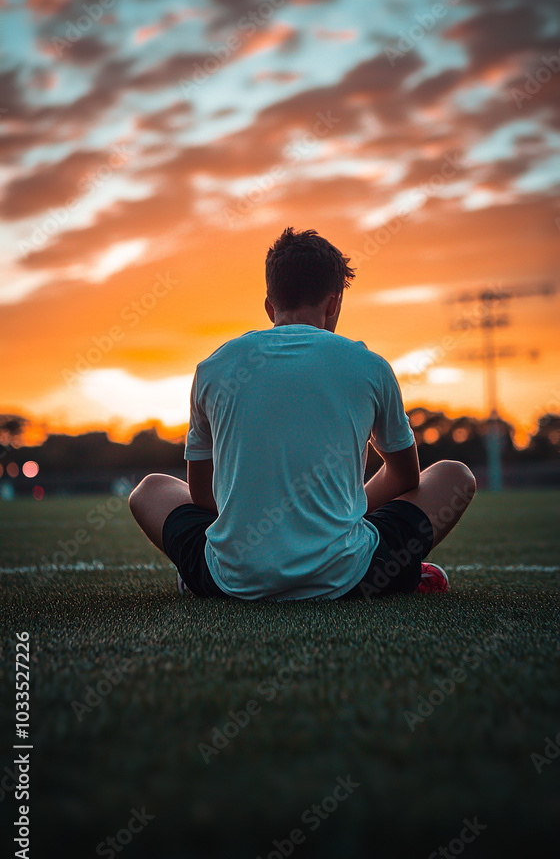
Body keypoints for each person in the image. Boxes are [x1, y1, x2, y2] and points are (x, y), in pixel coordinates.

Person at [129, 227, 476, 600]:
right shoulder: (369, 365)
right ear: (333, 303)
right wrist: (340, 513)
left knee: (150, 490)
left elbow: (201, 496)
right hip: (350, 577)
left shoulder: (213, 366)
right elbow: (406, 477)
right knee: (454, 475)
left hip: (230, 580)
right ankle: (402, 574)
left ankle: (198, 574)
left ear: (268, 306)